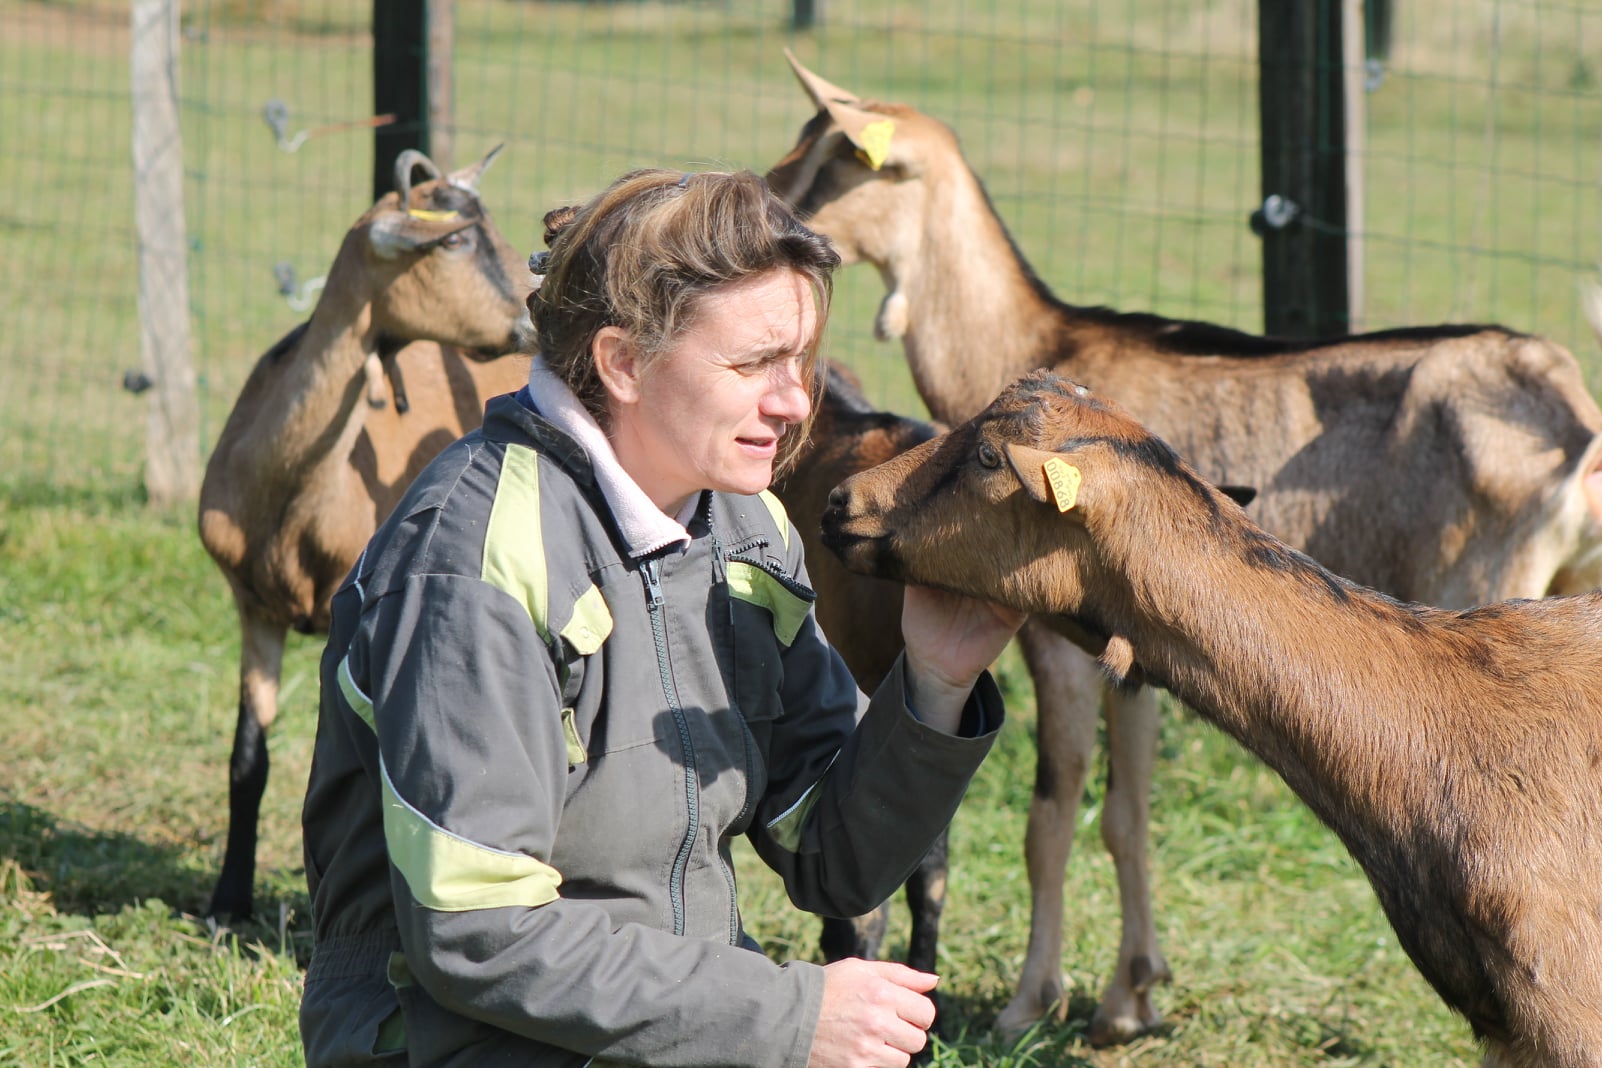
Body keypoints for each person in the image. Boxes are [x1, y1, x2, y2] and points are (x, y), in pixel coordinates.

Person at [298, 168, 1026, 1068]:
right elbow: (477, 935)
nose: (796, 400)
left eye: (800, 361)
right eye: (754, 362)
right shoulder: (476, 560)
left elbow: (832, 857)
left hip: (663, 1028)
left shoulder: (744, 525)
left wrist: (934, 684)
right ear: (623, 363)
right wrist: (786, 1017)